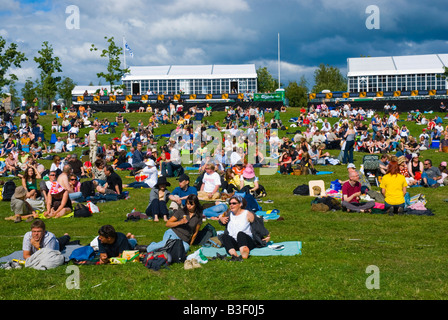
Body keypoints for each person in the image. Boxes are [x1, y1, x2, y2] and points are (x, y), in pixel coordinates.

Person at [218, 194, 270, 260]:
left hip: (247, 241)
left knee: (240, 234)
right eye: (230, 203)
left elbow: (258, 225)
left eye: (234, 203)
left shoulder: (248, 214)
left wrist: (267, 235)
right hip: (234, 243)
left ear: (240, 204)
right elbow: (222, 222)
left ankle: (244, 253)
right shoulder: (230, 214)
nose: (231, 205)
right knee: (225, 236)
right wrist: (221, 219)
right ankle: (234, 255)